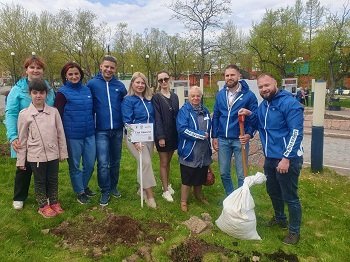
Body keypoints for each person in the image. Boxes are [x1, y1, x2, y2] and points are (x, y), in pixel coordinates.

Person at [238, 73, 304, 245]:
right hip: (270, 158)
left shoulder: (289, 103)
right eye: (260, 87)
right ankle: (280, 218)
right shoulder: (265, 105)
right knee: (273, 191)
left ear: (275, 83)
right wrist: (249, 113)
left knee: (290, 196)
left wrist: (286, 158)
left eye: (267, 85)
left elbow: (296, 133)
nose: (264, 89)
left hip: (287, 159)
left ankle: (294, 232)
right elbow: (260, 121)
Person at [5, 55, 55, 210]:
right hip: (26, 136)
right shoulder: (17, 89)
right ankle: (19, 196)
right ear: (26, 70)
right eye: (32, 67)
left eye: (38, 68)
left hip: (45, 135)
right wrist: (13, 136)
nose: (35, 70)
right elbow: (11, 113)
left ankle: (46, 195)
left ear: (42, 70)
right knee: (24, 167)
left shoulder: (49, 89)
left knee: (44, 168)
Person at [16, 79, 68, 218]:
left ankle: (54, 202)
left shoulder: (53, 112)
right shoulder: (24, 114)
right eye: (35, 93)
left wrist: (63, 152)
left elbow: (60, 133)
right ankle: (43, 205)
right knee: (40, 181)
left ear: (46, 94)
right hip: (35, 155)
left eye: (41, 92)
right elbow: (22, 139)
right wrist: (21, 160)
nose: (38, 96)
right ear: (30, 94)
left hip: (52, 154)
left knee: (53, 179)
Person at [211, 64, 258, 196]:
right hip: (223, 139)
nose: (229, 78)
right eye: (227, 75)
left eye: (232, 75)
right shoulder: (220, 95)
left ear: (239, 76)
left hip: (240, 139)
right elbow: (216, 116)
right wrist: (214, 136)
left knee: (242, 174)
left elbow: (255, 118)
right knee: (224, 172)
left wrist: (249, 134)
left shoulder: (249, 96)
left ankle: (242, 199)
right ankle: (232, 196)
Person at [87, 56, 127, 206]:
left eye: (112, 67)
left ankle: (113, 187)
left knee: (115, 161)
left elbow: (126, 104)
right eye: (106, 67)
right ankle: (105, 190)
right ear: (101, 66)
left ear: (115, 69)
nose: (109, 70)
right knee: (103, 163)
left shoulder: (119, 86)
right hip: (100, 130)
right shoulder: (92, 84)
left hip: (117, 130)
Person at [54, 62, 96, 205]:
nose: (74, 76)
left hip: (89, 133)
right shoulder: (62, 93)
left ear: (81, 75)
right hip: (72, 136)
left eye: (76, 73)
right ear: (65, 76)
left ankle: (83, 185)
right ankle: (80, 192)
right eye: (70, 74)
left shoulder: (87, 90)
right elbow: (57, 116)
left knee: (90, 164)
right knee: (75, 166)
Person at [122, 72, 157, 209]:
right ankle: (150, 196)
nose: (140, 85)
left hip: (148, 136)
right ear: (132, 84)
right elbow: (127, 121)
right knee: (146, 162)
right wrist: (135, 141)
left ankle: (141, 189)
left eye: (143, 83)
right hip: (134, 138)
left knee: (143, 164)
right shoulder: (128, 100)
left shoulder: (149, 99)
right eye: (137, 82)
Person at [176, 86, 212, 212]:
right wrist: (200, 135)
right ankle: (183, 201)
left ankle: (198, 196)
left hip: (203, 150)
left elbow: (209, 128)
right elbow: (182, 129)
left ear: (201, 96)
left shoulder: (206, 110)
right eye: (193, 96)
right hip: (189, 150)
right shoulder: (184, 111)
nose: (196, 98)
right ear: (189, 97)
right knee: (188, 177)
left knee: (200, 174)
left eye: (198, 96)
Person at [152, 70, 179, 202]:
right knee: (163, 162)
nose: (163, 82)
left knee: (168, 161)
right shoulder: (156, 97)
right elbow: (157, 117)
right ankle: (165, 191)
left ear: (170, 79)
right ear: (158, 82)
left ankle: (167, 183)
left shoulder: (174, 96)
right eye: (160, 80)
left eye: (165, 79)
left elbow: (177, 116)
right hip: (162, 135)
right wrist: (160, 136)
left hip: (173, 134)